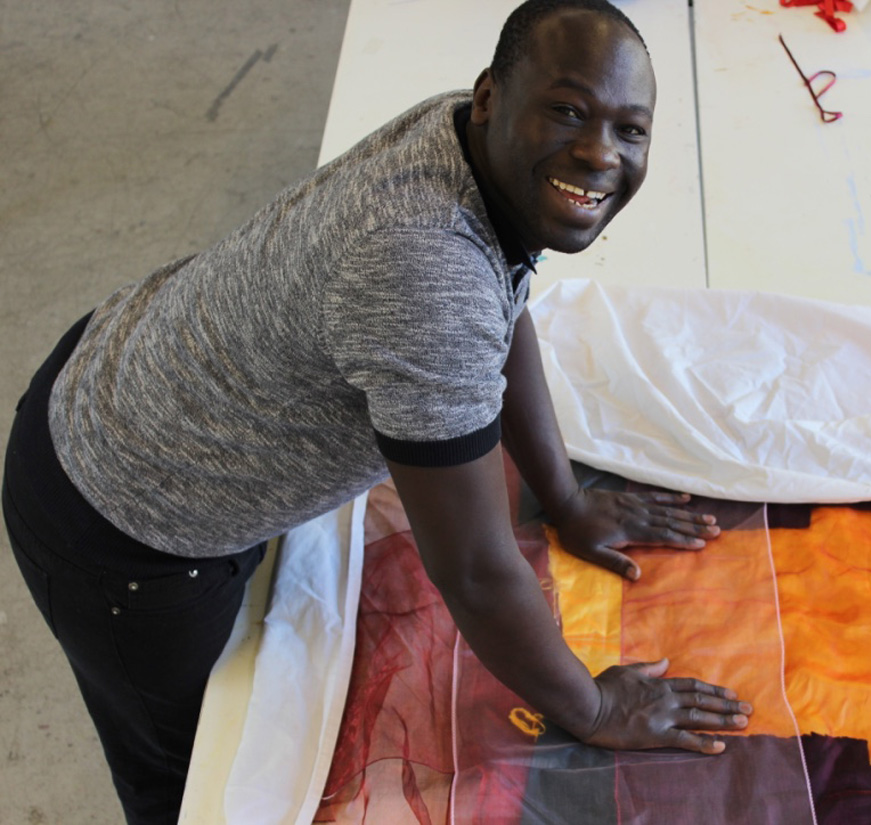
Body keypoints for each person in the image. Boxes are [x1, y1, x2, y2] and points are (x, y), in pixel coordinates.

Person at [2, 1, 752, 822]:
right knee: (196, 783)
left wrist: (564, 500)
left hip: (124, 368)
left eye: (630, 128)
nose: (600, 153)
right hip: (121, 521)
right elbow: (471, 567)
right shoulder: (424, 264)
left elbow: (498, 314)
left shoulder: (461, 145)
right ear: (491, 97)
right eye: (568, 111)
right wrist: (596, 708)